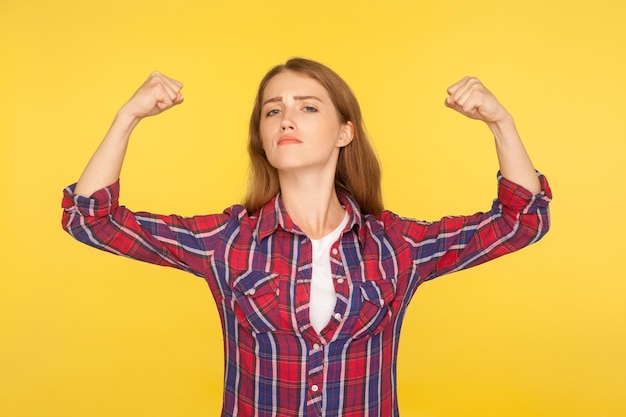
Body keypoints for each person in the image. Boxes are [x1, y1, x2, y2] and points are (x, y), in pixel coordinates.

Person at [62, 57, 551, 417]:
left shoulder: (395, 247)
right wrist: (128, 116)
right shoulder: (228, 242)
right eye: (273, 111)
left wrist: (499, 123)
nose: (287, 118)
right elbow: (91, 220)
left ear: (345, 132)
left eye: (308, 107)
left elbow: (520, 222)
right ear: (262, 136)